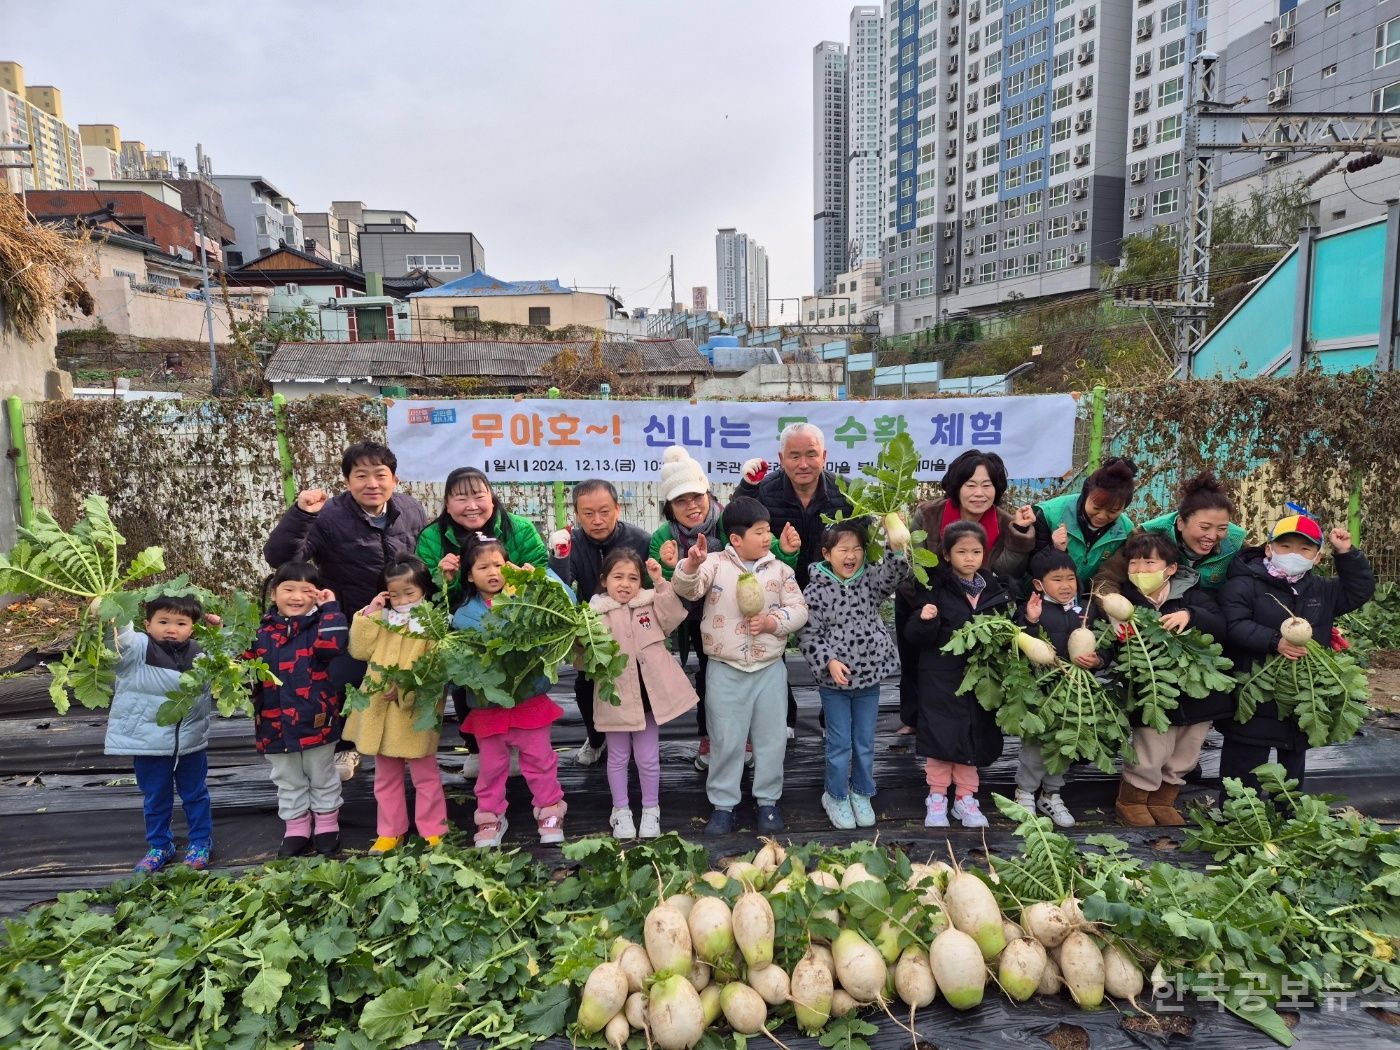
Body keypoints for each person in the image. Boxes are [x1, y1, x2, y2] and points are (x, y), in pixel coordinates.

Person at [265, 441, 428, 783]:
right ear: (348, 481)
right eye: (362, 476)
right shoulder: (329, 516)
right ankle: (345, 745)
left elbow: (421, 560)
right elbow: (283, 558)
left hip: (403, 621)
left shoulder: (411, 510)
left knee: (404, 684)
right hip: (350, 617)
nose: (372, 484)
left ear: (394, 479)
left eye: (380, 475)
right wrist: (301, 515)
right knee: (343, 682)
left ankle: (410, 745)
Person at [649, 446, 799, 770]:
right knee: (709, 678)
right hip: (700, 623)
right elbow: (656, 586)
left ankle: (758, 734)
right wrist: (668, 566)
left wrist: (786, 552)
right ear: (669, 507)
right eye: (680, 500)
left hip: (744, 617)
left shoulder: (725, 521)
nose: (691, 506)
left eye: (696, 496)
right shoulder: (664, 537)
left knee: (766, 669)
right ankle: (711, 736)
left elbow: (768, 554)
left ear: (707, 492)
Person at [673, 497, 809, 836]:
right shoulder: (715, 564)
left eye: (768, 531)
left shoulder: (779, 569)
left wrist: (772, 623)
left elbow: (799, 609)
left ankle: (767, 801)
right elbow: (687, 588)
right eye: (760, 532)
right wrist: (690, 564)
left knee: (771, 739)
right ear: (736, 539)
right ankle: (723, 804)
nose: (767, 538)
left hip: (768, 669)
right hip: (725, 668)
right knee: (726, 739)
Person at [1216, 514, 1375, 797]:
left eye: (1304, 549)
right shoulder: (1244, 584)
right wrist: (1274, 642)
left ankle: (1287, 814)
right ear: (1268, 549)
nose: (1293, 555)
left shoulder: (1323, 590)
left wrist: (1346, 554)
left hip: (1303, 691)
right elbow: (1233, 624)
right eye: (1285, 546)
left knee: (1292, 757)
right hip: (1255, 684)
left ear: (1316, 556)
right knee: (1245, 756)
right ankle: (1237, 816)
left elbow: (1360, 590)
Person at [416, 466, 547, 777]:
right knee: (466, 678)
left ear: (492, 497)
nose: (471, 505)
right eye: (461, 498)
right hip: (463, 622)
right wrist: (441, 577)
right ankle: (476, 746)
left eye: (479, 495)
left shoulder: (520, 529)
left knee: (522, 673)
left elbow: (543, 572)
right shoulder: (433, 537)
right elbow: (422, 590)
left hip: (517, 618)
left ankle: (520, 742)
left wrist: (523, 577)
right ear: (447, 504)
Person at [897, 450, 1037, 734]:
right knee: (915, 660)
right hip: (924, 600)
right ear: (956, 485)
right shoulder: (929, 514)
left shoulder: (1005, 521)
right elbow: (911, 561)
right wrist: (928, 602)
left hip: (973, 604)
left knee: (962, 666)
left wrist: (1020, 534)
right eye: (970, 484)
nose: (979, 493)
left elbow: (1007, 569)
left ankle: (966, 722)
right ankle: (912, 719)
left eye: (987, 485)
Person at [1105, 534, 1233, 827]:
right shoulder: (1124, 604)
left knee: (1186, 752)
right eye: (1134, 563)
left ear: (1171, 568)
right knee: (1150, 750)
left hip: (1199, 695)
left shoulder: (1194, 596)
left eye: (1149, 563)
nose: (1140, 570)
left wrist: (1190, 615)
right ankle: (1133, 800)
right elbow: (1109, 644)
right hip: (1153, 693)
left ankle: (1164, 799)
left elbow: (1221, 625)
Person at [451, 536, 568, 847]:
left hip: (529, 700)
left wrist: (542, 581)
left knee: (540, 760)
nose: (493, 572)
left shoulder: (528, 597)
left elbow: (567, 605)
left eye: (499, 565)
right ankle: (489, 815)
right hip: (489, 705)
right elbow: (498, 637)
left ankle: (549, 809)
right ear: (469, 575)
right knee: (490, 767)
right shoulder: (465, 614)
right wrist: (515, 607)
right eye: (483, 566)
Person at [736, 422, 850, 736]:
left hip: (830, 591)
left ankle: (832, 721)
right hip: (776, 589)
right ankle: (784, 719)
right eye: (794, 455)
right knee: (774, 656)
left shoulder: (845, 492)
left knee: (835, 651)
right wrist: (746, 486)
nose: (803, 464)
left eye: (811, 455)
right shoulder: (764, 491)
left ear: (824, 456)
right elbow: (735, 519)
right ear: (781, 458)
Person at [798, 519, 910, 831]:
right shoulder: (815, 592)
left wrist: (895, 544)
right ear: (826, 553)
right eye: (843, 550)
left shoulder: (870, 581)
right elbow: (808, 637)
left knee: (863, 741)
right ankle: (834, 794)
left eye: (857, 549)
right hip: (834, 684)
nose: (851, 556)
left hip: (869, 678)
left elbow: (895, 574)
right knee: (839, 744)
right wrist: (829, 661)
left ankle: (861, 792)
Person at [903, 521, 1013, 830]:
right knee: (941, 740)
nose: (969, 558)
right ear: (947, 555)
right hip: (940, 679)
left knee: (971, 739)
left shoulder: (995, 589)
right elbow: (914, 636)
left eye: (976, 552)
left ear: (984, 554)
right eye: (961, 552)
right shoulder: (934, 588)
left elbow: (1005, 632)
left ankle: (966, 798)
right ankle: (936, 798)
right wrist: (925, 620)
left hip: (980, 679)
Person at [588, 550, 699, 840]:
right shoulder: (593, 616)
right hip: (616, 700)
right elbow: (581, 657)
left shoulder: (649, 605)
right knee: (618, 758)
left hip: (648, 698)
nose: (625, 584)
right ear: (604, 581)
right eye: (618, 577)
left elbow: (673, 615)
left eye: (633, 578)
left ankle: (651, 809)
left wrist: (660, 582)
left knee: (648, 758)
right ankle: (621, 811)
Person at [103, 593, 215, 873]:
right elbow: (117, 640)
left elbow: (226, 662)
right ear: (147, 624)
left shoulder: (201, 653)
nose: (171, 629)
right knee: (156, 797)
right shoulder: (137, 650)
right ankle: (159, 845)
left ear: (192, 628)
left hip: (190, 743)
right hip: (149, 745)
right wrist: (109, 612)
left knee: (196, 794)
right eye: (163, 621)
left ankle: (201, 842)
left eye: (181, 623)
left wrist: (219, 634)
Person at [547, 479, 653, 767]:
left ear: (617, 509)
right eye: (588, 513)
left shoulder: (641, 541)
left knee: (639, 680)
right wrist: (558, 559)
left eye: (605, 511)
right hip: (591, 626)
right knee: (585, 682)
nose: (597, 520)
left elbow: (652, 586)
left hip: (633, 624)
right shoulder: (570, 544)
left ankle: (638, 735)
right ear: (577, 514)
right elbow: (560, 588)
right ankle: (595, 738)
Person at [344, 555, 447, 854]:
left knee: (425, 776)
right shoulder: (384, 619)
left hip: (414, 715)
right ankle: (390, 831)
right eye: (394, 594)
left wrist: (406, 690)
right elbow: (359, 649)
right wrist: (368, 614)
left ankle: (434, 830)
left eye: (409, 593)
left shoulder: (433, 625)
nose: (402, 600)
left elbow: (436, 671)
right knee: (385, 778)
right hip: (379, 713)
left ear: (424, 591)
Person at [246, 563, 348, 857]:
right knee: (287, 777)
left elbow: (334, 645)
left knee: (322, 773)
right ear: (274, 593)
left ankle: (327, 824)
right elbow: (239, 663)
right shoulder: (260, 632)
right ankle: (297, 827)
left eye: (307, 591)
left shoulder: (320, 628)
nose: (296, 597)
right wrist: (220, 636)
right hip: (273, 723)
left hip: (316, 719)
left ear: (316, 595)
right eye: (288, 589)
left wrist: (330, 608)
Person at [1013, 547, 1102, 828]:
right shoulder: (1034, 612)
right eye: (1057, 580)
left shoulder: (1086, 612)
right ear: (1039, 584)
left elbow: (1106, 644)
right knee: (1036, 745)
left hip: (1077, 690)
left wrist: (1099, 660)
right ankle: (1024, 791)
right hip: (1043, 690)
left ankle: (1051, 794)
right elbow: (1022, 645)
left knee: (1066, 743)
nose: (1066, 586)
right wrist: (1030, 621)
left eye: (1070, 579)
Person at [1095, 472, 1246, 596]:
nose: (1213, 536)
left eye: (1221, 528)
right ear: (1181, 523)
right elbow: (1107, 579)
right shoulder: (1147, 535)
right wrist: (1115, 607)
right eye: (1204, 527)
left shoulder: (1236, 543)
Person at [1031, 456, 1139, 584]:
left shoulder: (1125, 530)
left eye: (1113, 511)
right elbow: (1032, 567)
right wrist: (1055, 549)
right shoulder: (1050, 514)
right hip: (1041, 594)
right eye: (1096, 507)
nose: (1102, 516)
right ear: (1085, 495)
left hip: (1088, 597)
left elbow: (1114, 574)